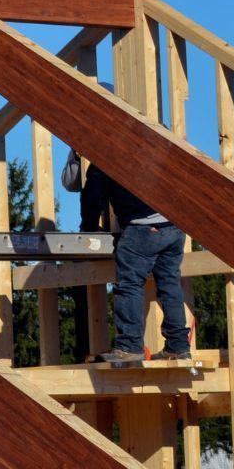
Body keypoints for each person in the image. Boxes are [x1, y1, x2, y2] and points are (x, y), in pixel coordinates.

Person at [62, 143, 190, 364]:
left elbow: (91, 200)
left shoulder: (106, 157)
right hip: (175, 227)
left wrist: (89, 231)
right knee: (169, 285)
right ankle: (178, 347)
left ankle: (130, 347)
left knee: (129, 284)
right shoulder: (149, 145)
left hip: (142, 228)